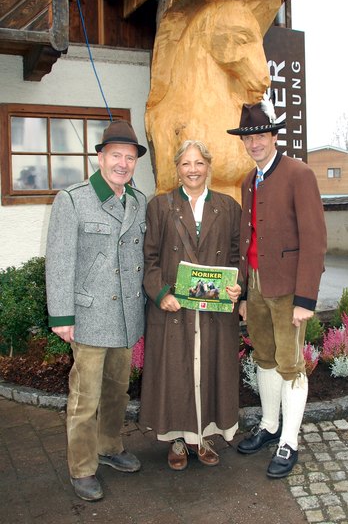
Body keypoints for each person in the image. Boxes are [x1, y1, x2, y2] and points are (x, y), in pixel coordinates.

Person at [45, 120, 147, 501]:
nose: (123, 163)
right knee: (84, 398)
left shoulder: (139, 201)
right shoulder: (72, 198)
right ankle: (83, 467)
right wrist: (61, 316)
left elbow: (142, 257)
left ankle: (109, 447)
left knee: (117, 392)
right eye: (116, 155)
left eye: (130, 157)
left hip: (125, 319)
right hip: (88, 317)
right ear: (101, 156)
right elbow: (58, 261)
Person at [227, 99, 326, 479]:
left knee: (290, 363)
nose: (254, 144)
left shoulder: (299, 174)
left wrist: (305, 299)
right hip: (255, 283)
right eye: (248, 138)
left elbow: (315, 239)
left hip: (288, 289)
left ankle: (289, 440)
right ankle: (269, 426)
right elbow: (246, 240)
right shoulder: (247, 181)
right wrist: (245, 295)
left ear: (273, 136)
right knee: (264, 357)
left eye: (260, 135)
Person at [139, 140, 242, 471]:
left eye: (199, 163)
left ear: (208, 166)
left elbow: (238, 254)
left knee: (210, 369)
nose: (193, 169)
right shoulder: (160, 206)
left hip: (214, 309)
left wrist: (238, 286)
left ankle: (204, 436)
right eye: (186, 164)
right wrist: (160, 293)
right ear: (177, 168)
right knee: (177, 371)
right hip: (174, 308)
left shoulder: (228, 207)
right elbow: (150, 258)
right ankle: (178, 439)